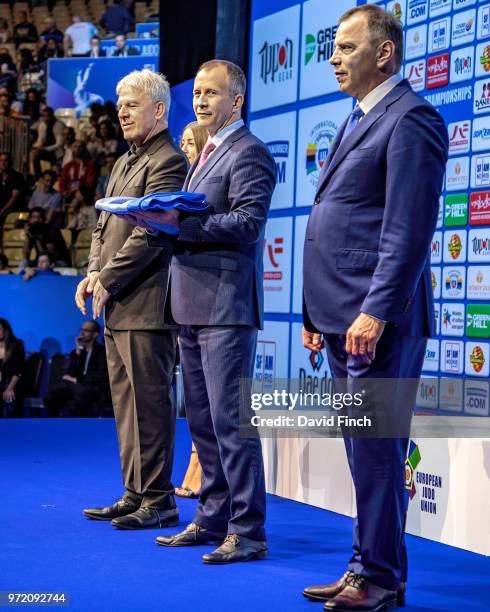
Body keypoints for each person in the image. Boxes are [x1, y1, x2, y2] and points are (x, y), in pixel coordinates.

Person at [301, 6, 448, 612]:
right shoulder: (358, 118)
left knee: (379, 454)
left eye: (345, 46)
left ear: (382, 53)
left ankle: (379, 578)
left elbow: (407, 232)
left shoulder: (411, 118)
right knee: (366, 454)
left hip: (376, 323)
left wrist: (374, 311)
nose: (333, 57)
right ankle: (369, 567)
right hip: (342, 317)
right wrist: (316, 316)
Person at [151, 60, 275, 564]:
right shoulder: (204, 154)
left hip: (225, 306)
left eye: (211, 93)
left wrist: (178, 225)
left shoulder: (251, 153)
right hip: (190, 303)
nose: (199, 101)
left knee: (231, 423)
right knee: (202, 424)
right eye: (197, 92)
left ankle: (248, 531)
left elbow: (247, 224)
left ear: (236, 101)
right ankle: (211, 518)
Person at [76, 69, 187, 530]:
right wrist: (92, 271)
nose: (121, 111)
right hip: (119, 300)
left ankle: (160, 498)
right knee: (125, 402)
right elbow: (104, 226)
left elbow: (151, 232)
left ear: (158, 111)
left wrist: (109, 278)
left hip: (146, 301)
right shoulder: (124, 162)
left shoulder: (169, 161)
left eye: (132, 104)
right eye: (119, 104)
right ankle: (135, 491)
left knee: (150, 402)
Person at [173, 120, 207, 500]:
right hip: (185, 297)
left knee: (211, 404)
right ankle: (194, 468)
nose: (184, 147)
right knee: (196, 402)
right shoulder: (188, 179)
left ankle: (201, 472)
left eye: (188, 141)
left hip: (213, 298)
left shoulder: (205, 179)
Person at [44, 320, 108, 417]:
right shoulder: (76, 352)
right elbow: (70, 373)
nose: (82, 333)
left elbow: (101, 375)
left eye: (86, 330)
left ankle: (79, 428)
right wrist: (78, 353)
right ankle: (55, 427)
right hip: (76, 387)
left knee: (82, 397)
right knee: (50, 397)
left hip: (93, 388)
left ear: (95, 334)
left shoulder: (102, 352)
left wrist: (78, 379)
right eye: (81, 329)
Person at [0, 318, 25, 418]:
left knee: (9, 396)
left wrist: (10, 388)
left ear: (6, 330)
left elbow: (17, 371)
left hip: (11, 383)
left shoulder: (16, 345)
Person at [31, 107, 65, 177]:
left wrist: (45, 149)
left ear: (52, 116)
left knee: (55, 172)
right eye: (44, 116)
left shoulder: (59, 125)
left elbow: (59, 144)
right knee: (35, 155)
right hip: (47, 149)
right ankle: (38, 177)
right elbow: (40, 139)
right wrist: (36, 148)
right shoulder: (42, 125)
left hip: (58, 151)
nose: (46, 119)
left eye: (48, 116)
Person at [0, 151, 25, 218]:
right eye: (1, 160)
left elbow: (14, 198)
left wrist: (2, 211)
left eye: (6, 160)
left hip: (12, 209)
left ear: (10, 162)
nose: (3, 163)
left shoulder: (17, 176)